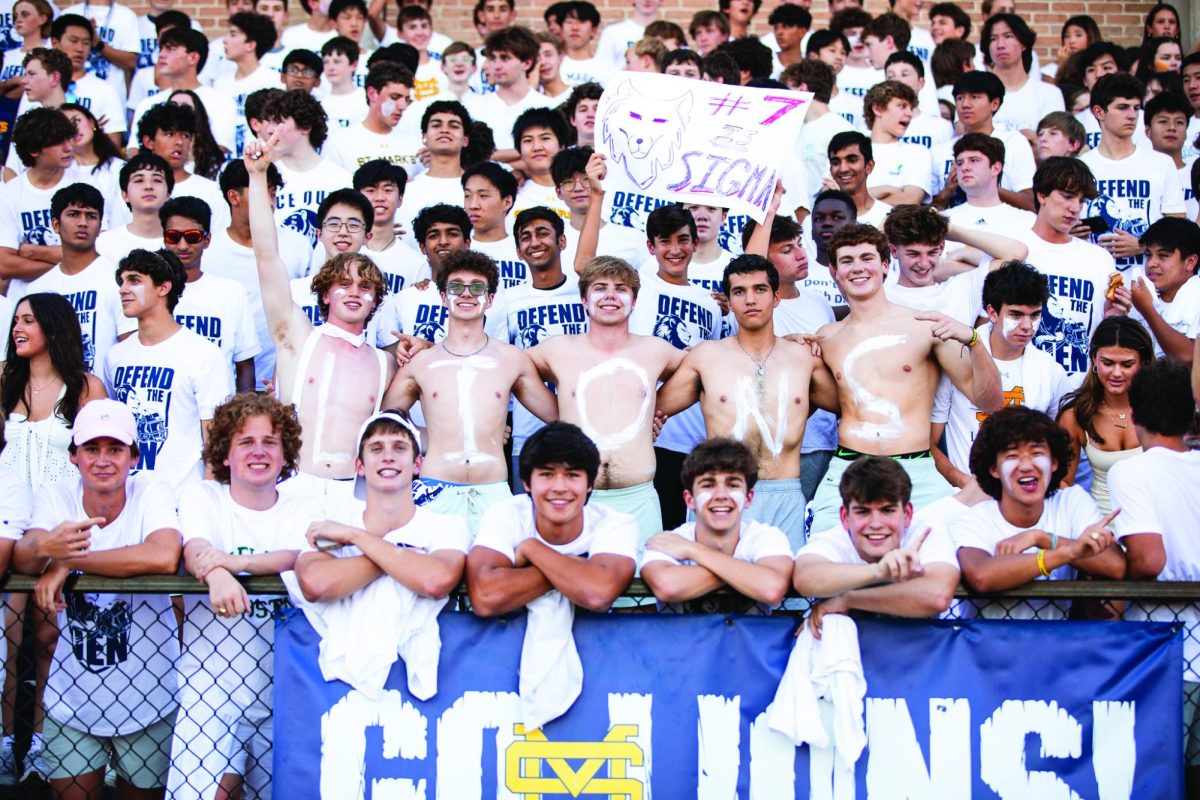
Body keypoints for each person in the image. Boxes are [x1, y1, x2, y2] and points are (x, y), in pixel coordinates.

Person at [14, 399, 182, 800]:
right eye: (92, 448)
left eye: (115, 449)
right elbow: (25, 552)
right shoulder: (58, 494)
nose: (103, 460)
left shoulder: (150, 490)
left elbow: (162, 554)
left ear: (134, 456)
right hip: (74, 700)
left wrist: (69, 562)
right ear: (73, 456)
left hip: (149, 698)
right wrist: (47, 550)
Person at [167, 393, 320, 800]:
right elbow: (195, 547)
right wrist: (212, 571)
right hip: (211, 693)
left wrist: (227, 565)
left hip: (283, 695)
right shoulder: (204, 497)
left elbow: (299, 557)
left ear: (285, 453)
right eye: (245, 442)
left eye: (270, 442)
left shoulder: (304, 505)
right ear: (225, 453)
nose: (259, 452)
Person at [805, 223, 1003, 534]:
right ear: (833, 271)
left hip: (916, 470)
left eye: (866, 258)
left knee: (937, 566)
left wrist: (975, 342)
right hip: (849, 467)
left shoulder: (925, 325)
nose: (857, 268)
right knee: (822, 563)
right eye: (847, 261)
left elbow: (990, 401)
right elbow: (826, 399)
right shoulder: (826, 337)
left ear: (885, 265)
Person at [245, 129, 394, 497]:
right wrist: (257, 175)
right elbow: (266, 255)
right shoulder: (297, 337)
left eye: (364, 287)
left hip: (354, 493)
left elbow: (397, 427)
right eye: (343, 284)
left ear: (376, 301)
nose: (354, 293)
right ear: (325, 294)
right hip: (294, 485)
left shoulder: (386, 363)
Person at [658, 253, 836, 549]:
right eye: (739, 292)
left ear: (776, 297)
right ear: (728, 300)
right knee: (714, 591)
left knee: (786, 593)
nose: (750, 299)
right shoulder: (707, 356)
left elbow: (854, 409)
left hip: (785, 493)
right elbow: (651, 411)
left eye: (760, 290)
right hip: (722, 493)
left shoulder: (803, 359)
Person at [0, 291, 107, 782]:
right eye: (15, 320)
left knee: (50, 638)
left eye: (28, 320)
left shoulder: (85, 388)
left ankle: (43, 740)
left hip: (61, 519)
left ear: (54, 327)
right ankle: (6, 742)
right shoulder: (4, 380)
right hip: (7, 517)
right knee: (8, 636)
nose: (18, 328)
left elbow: (101, 459)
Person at [382, 250, 557, 533]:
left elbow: (558, 415)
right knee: (436, 576)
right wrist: (431, 437)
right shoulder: (422, 363)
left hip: (493, 494)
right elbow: (385, 421)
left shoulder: (511, 359)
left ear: (489, 299)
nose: (466, 294)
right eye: (456, 287)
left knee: (494, 576)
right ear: (442, 296)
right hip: (434, 490)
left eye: (477, 287)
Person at [528, 257, 683, 543]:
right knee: (575, 585)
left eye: (621, 288)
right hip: (577, 499)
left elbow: (704, 370)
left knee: (643, 586)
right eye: (600, 287)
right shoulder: (558, 349)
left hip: (638, 496)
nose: (610, 295)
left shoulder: (656, 349)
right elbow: (505, 369)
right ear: (584, 301)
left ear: (634, 302)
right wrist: (559, 419)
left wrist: (655, 410)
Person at [1107, 358, 1200, 797]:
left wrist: (1103, 566)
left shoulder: (1132, 470)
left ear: (1135, 414)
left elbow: (1148, 559)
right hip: (1182, 649)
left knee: (1153, 777)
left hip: (1165, 650)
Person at [954, 406, 1126, 617]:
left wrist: (1043, 539)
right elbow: (980, 576)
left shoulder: (1072, 501)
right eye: (1012, 455)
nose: (1026, 465)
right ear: (993, 469)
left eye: (1036, 453)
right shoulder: (974, 518)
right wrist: (1067, 553)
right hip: (989, 647)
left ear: (1054, 462)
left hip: (1056, 646)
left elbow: (1116, 566)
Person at [467, 420, 638, 616]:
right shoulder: (507, 514)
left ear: (589, 484)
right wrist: (578, 569)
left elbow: (597, 594)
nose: (559, 487)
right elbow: (486, 597)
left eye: (572, 475)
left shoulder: (614, 523)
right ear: (526, 483)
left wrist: (532, 549)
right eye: (547, 474)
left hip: (590, 644)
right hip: (517, 644)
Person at [931, 261, 1071, 488]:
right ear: (992, 313)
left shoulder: (1051, 370)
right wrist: (961, 481)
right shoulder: (957, 356)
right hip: (964, 498)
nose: (1027, 326)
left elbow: (1060, 444)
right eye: (1016, 314)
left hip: (1025, 499)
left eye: (1035, 315)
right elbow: (931, 442)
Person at [103, 248, 231, 494]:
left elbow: (214, 441)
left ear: (163, 288)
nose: (122, 289)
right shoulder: (116, 356)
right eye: (122, 281)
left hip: (181, 498)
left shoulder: (203, 354)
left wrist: (207, 501)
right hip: (127, 499)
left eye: (134, 280)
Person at [794, 455, 960, 633]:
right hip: (847, 649)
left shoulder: (925, 532)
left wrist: (847, 600)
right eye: (863, 511)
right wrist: (880, 571)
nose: (876, 524)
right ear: (844, 517)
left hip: (918, 649)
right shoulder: (835, 538)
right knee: (833, 626)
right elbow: (804, 577)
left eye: (887, 510)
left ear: (908, 514)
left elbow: (937, 596)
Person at [641, 437, 792, 613]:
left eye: (732, 484)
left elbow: (771, 588)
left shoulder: (765, 536)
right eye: (708, 485)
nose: (721, 495)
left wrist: (693, 550)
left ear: (748, 498)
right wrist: (749, 573)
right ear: (689, 500)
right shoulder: (668, 541)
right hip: (684, 640)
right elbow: (667, 587)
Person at [203, 159, 313, 392]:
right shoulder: (207, 251)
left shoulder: (298, 246)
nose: (271, 203)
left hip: (285, 379)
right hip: (223, 382)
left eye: (273, 193)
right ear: (234, 197)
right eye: (263, 192)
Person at [6, 183, 132, 375]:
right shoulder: (37, 289)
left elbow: (131, 347)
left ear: (100, 226)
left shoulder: (119, 280)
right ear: (56, 225)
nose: (83, 222)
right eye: (73, 214)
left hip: (105, 399)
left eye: (91, 216)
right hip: (52, 398)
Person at [1023, 157, 1118, 380]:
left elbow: (1101, 331)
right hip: (1022, 386)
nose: (1075, 208)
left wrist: (1115, 316)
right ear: (1042, 195)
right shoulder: (1015, 248)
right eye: (1067, 196)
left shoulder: (1100, 259)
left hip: (1078, 389)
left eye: (1081, 200)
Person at [1081, 73, 1186, 273]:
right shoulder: (1081, 167)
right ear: (1099, 112)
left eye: (1136, 108)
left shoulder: (1161, 164)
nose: (1132, 115)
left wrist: (1142, 245)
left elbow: (1179, 230)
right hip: (1095, 277)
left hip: (1149, 281)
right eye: (1122, 107)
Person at [159, 196, 260, 393]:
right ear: (164, 239)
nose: (182, 245)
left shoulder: (231, 292)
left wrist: (240, 419)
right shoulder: (151, 291)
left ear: (207, 240)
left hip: (221, 416)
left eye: (192, 236)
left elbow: (245, 366)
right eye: (173, 236)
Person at [1057, 317, 1154, 514]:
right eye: (1108, 363)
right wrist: (1086, 521)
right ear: (1094, 358)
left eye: (1127, 364)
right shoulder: (1075, 415)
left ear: (1143, 362)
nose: (1116, 373)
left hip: (1155, 526)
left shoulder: (1160, 408)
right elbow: (1062, 482)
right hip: (1101, 529)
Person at [881, 203, 1029, 326]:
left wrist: (950, 229)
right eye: (913, 254)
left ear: (941, 248)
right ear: (894, 250)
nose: (924, 263)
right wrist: (886, 224)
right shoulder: (881, 295)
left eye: (932, 253)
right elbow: (860, 253)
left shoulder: (963, 289)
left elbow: (1018, 253)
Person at [930, 71, 1037, 212]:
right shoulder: (940, 151)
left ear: (994, 104)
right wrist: (947, 192)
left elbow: (1029, 203)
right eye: (960, 98)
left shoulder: (1014, 143)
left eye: (974, 97)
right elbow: (927, 209)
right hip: (952, 229)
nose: (965, 104)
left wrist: (985, 185)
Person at [261, 89, 354, 246]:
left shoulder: (341, 179)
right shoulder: (264, 178)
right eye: (270, 122)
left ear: (305, 126)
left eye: (278, 122)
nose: (270, 129)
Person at [127, 26, 238, 155]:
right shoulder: (147, 104)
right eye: (161, 49)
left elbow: (218, 150)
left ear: (193, 57)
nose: (161, 55)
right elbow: (134, 151)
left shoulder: (221, 101)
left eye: (170, 49)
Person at [0, 107, 81, 283]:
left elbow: (97, 250)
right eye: (58, 142)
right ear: (34, 150)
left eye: (69, 139)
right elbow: (4, 264)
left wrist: (36, 252)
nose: (68, 148)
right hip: (26, 302)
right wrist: (66, 263)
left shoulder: (85, 184)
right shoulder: (8, 194)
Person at [134, 102, 230, 233]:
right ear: (149, 142)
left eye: (185, 135)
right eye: (169, 134)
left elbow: (218, 241)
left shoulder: (211, 192)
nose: (179, 142)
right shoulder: (135, 189)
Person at [323, 61, 422, 174]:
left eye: (406, 99)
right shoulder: (340, 142)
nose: (403, 106)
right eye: (395, 97)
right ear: (372, 94)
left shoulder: (415, 142)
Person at [471, 27, 552, 157]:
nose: (497, 66)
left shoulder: (548, 107)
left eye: (505, 58)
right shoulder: (474, 106)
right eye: (492, 58)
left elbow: (552, 156)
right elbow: (473, 156)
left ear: (527, 63)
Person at [1130, 216, 1200, 362]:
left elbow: (1189, 357)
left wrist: (1148, 311)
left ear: (1190, 262)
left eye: (1163, 256)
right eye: (1148, 255)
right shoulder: (1140, 297)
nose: (1151, 263)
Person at [981, 12, 1063, 135]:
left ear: (1023, 43)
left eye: (1008, 36)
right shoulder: (976, 93)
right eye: (993, 39)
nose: (1000, 45)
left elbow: (1052, 143)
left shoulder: (1049, 94)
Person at [397, 100, 471, 234]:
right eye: (436, 125)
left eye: (454, 126)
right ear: (424, 136)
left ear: (465, 139)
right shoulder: (406, 191)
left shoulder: (477, 188)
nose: (444, 130)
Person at [214, 11, 280, 157]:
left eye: (233, 34)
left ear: (250, 45)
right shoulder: (221, 82)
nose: (225, 40)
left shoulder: (273, 80)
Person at [941, 132, 1037, 232]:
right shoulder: (943, 220)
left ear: (995, 168)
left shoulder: (1027, 221)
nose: (964, 168)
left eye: (974, 160)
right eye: (960, 163)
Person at [863, 80, 932, 205]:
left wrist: (860, 195)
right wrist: (886, 190)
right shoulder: (851, 148)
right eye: (902, 106)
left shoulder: (917, 153)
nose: (910, 113)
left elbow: (910, 200)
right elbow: (834, 196)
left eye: (911, 108)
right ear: (877, 109)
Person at [825, 133, 890, 228]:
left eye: (852, 160)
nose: (843, 169)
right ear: (830, 169)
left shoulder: (888, 217)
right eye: (835, 162)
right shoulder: (817, 220)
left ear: (869, 166)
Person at [319, 37, 368, 131]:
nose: (330, 67)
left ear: (354, 64)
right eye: (326, 62)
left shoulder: (367, 101)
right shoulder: (320, 103)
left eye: (337, 62)